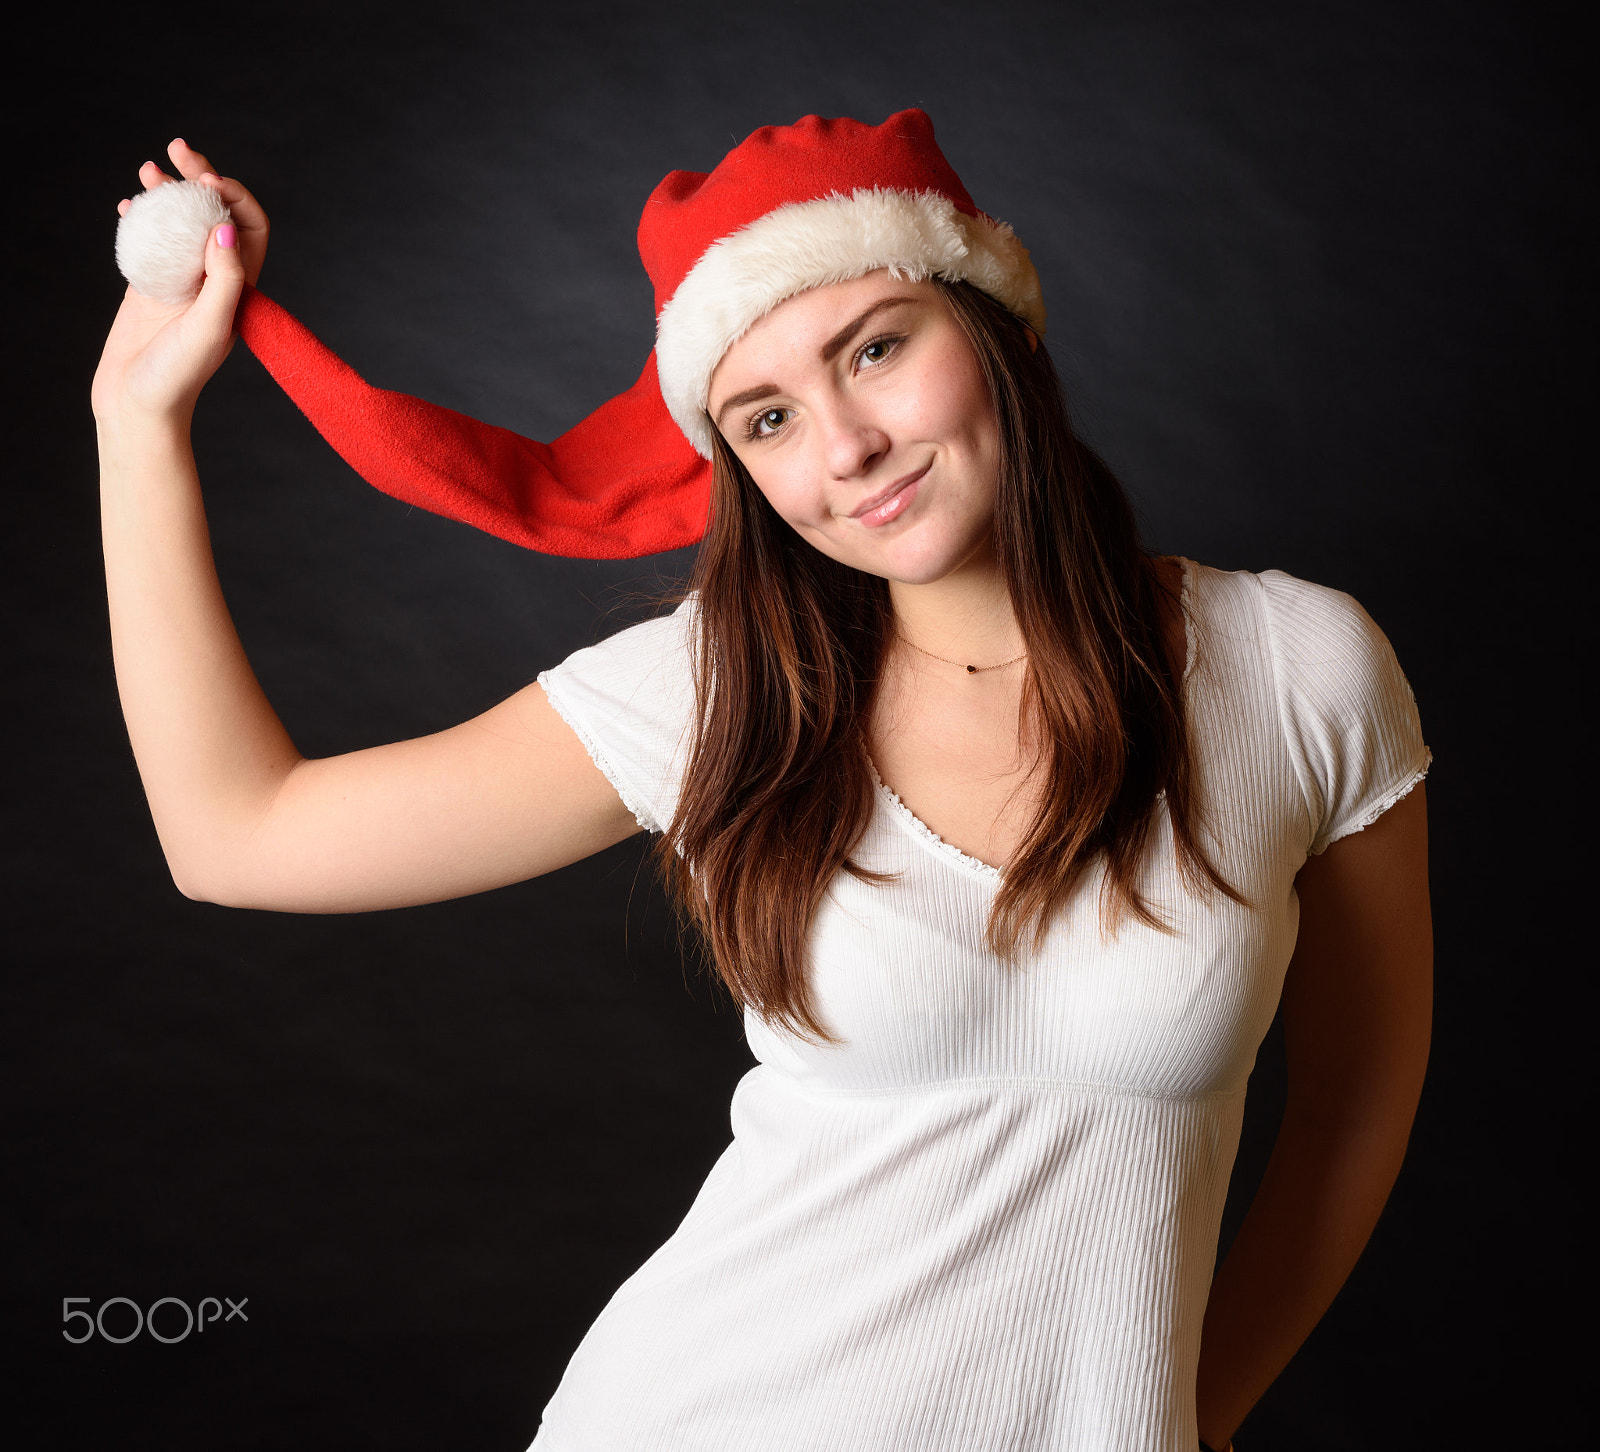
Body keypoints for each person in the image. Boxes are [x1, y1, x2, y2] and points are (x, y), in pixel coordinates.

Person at [93, 111, 1432, 1452]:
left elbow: (1355, 1100)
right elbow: (239, 838)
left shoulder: (1297, 669)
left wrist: (1208, 1411)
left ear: (1004, 326)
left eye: (880, 347)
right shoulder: (719, 691)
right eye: (771, 417)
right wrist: (133, 429)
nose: (844, 446)